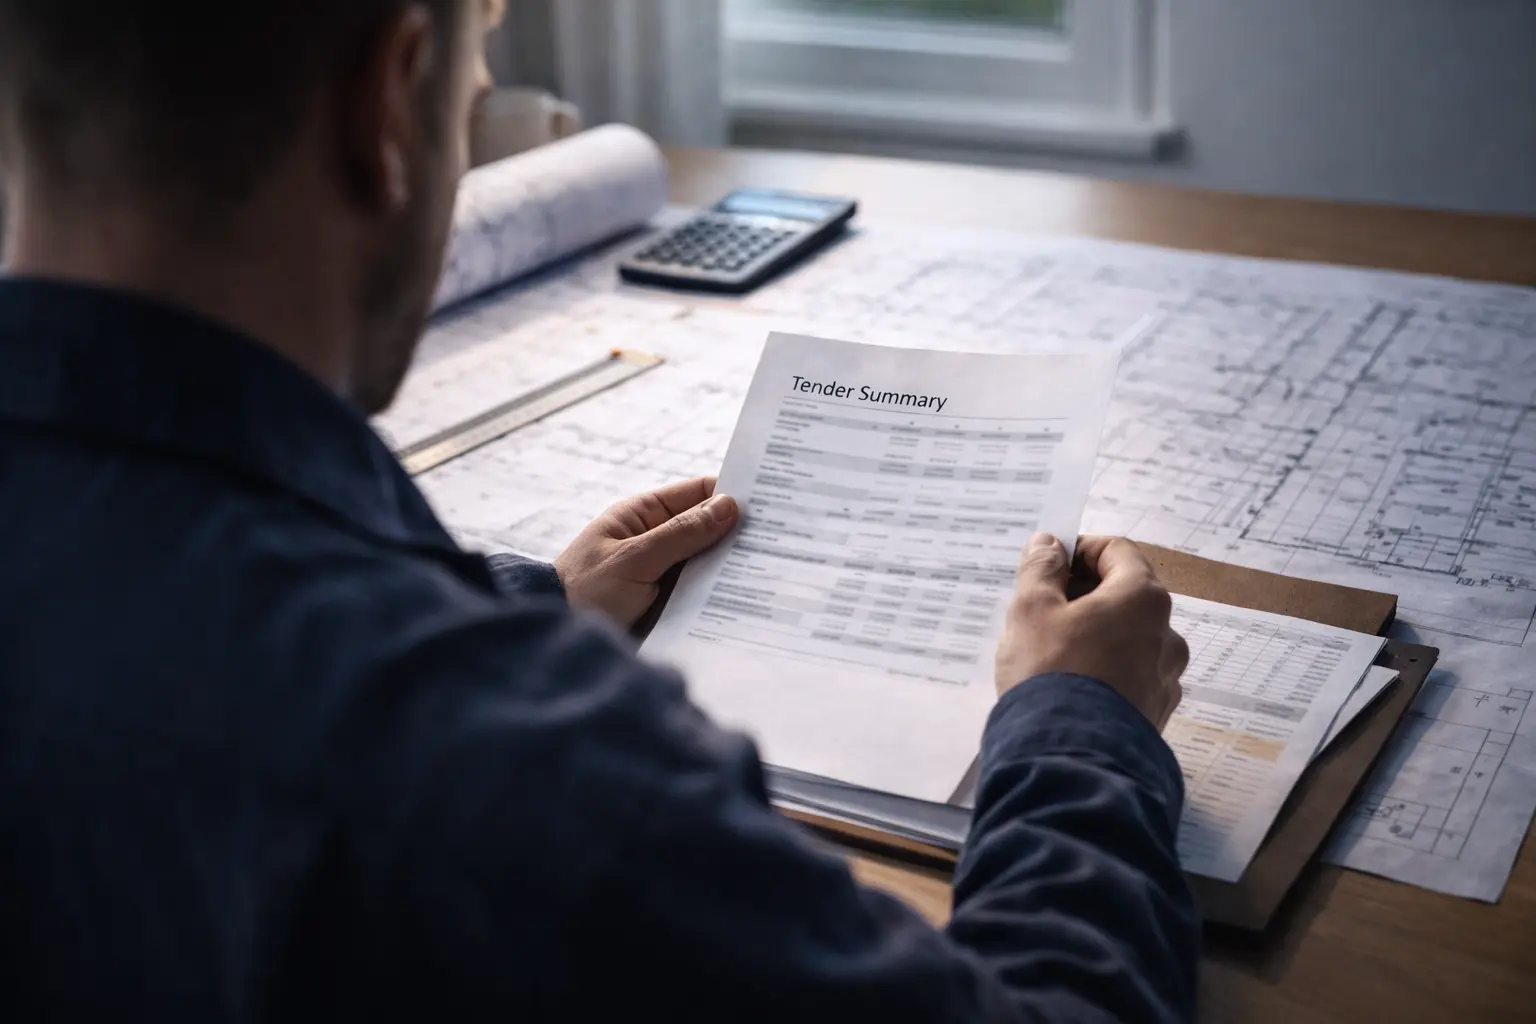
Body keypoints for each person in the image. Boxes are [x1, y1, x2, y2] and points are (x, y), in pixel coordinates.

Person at [0, 0, 1198, 1019]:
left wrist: (535, 602)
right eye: (471, 92)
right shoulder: (513, 762)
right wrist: (1082, 721)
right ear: (390, 101)